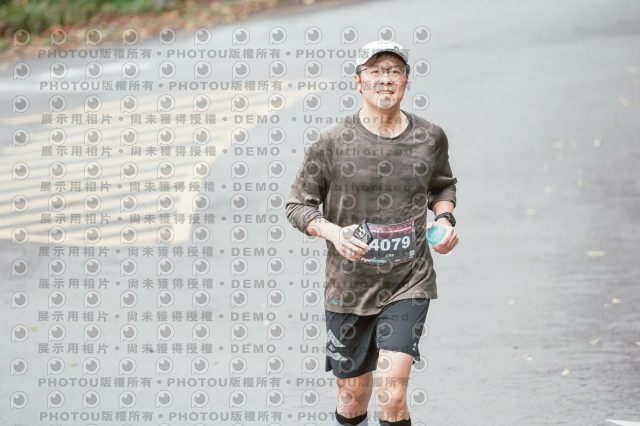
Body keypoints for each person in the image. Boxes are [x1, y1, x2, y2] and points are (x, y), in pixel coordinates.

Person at [285, 40, 459, 426]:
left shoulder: (430, 137)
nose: (385, 78)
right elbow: (297, 206)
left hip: (408, 280)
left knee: (391, 394)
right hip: (348, 288)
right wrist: (334, 233)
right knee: (352, 398)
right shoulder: (331, 142)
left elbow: (442, 186)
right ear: (358, 81)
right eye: (375, 71)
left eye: (394, 71)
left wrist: (444, 220)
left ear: (406, 80)